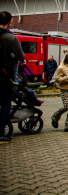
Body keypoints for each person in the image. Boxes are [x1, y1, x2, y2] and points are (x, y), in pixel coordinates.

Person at [0, 11, 25, 144]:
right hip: (5, 75)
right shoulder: (10, 38)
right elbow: (21, 57)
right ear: (9, 22)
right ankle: (0, 133)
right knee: (5, 102)